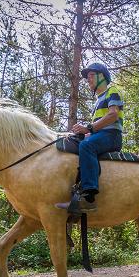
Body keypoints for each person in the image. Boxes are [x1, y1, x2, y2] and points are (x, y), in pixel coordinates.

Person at [55, 63, 124, 213]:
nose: (88, 79)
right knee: (78, 142)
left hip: (112, 136)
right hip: (102, 135)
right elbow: (96, 129)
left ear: (102, 77)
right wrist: (85, 133)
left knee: (87, 146)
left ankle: (88, 197)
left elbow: (113, 115)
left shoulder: (112, 91)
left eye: (92, 75)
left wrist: (89, 128)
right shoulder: (98, 100)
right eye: (87, 77)